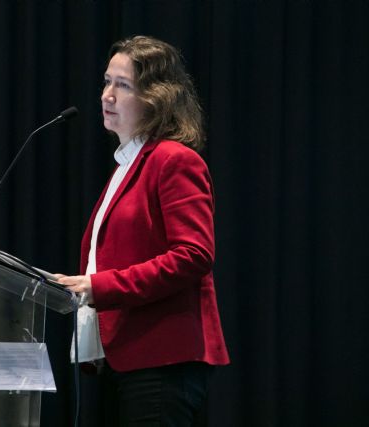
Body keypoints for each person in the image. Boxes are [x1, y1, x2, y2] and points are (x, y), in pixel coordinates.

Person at [57, 36, 230, 426]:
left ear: (157, 98)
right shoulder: (126, 167)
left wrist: (98, 287)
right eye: (106, 81)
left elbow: (193, 256)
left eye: (123, 85)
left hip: (162, 359)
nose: (107, 95)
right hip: (120, 358)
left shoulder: (173, 160)